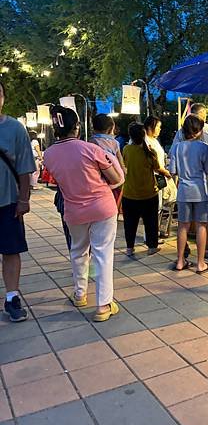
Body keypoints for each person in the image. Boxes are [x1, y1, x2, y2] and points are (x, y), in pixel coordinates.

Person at [44, 106, 122, 321]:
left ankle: (79, 294)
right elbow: (116, 179)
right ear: (77, 127)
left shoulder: (48, 154)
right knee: (103, 254)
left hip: (73, 210)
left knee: (78, 251)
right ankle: (103, 305)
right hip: (102, 208)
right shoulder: (91, 149)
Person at [0, 81, 36, 322]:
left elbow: (24, 167)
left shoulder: (15, 128)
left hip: (8, 202)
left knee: (11, 251)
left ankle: (12, 296)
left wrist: (24, 199)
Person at [169, 103, 208, 258]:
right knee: (201, 226)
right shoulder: (204, 148)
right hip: (200, 191)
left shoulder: (176, 148)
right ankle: (201, 262)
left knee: (183, 227)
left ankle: (180, 260)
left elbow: (172, 171)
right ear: (199, 130)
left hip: (183, 191)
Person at [122, 122, 170, 257]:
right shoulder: (150, 152)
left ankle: (130, 248)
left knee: (130, 223)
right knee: (151, 222)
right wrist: (166, 173)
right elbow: (157, 168)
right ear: (143, 135)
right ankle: (152, 247)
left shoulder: (126, 150)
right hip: (149, 193)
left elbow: (125, 164)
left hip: (130, 193)